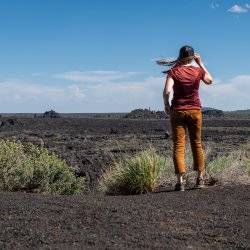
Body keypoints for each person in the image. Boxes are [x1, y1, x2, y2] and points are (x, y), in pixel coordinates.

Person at [157, 45, 213, 191]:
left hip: (178, 111)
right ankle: (200, 179)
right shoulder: (198, 71)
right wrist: (200, 63)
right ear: (193, 56)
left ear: (180, 56)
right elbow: (209, 81)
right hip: (195, 110)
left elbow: (167, 91)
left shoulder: (173, 72)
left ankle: (180, 182)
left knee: (179, 145)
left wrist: (166, 105)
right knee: (197, 143)